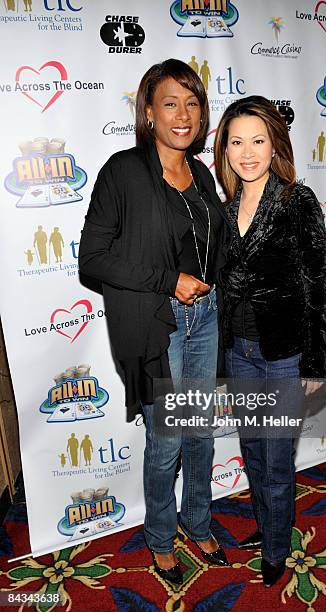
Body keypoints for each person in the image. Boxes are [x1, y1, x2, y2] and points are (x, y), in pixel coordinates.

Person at [79, 59, 230, 585]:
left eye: (192, 103)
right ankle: (161, 537)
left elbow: (216, 248)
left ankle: (198, 520)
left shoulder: (203, 173)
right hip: (158, 324)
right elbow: (92, 259)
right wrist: (169, 280)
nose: (183, 115)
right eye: (170, 103)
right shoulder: (122, 171)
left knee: (201, 434)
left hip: (206, 319)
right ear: (149, 111)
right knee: (167, 439)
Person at [214, 96, 326, 587]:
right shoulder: (226, 206)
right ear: (225, 150)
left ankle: (278, 548)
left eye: (257, 140)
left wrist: (313, 367)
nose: (248, 152)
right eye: (237, 142)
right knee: (254, 451)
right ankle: (269, 526)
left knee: (277, 460)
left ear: (275, 143)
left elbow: (316, 289)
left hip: (282, 357)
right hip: (238, 352)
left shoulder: (297, 201)